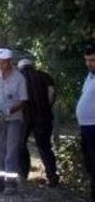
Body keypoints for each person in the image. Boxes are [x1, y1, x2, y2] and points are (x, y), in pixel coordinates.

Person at [0, 48, 28, 195]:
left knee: (11, 151)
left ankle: (10, 184)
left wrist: (9, 110)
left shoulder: (19, 78)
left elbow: (23, 100)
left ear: (9, 62)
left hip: (14, 119)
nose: (0, 64)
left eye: (3, 62)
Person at [17, 58, 58, 186]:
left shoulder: (19, 77)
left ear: (20, 67)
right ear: (33, 66)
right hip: (43, 116)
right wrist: (47, 106)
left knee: (21, 145)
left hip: (25, 116)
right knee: (45, 147)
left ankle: (23, 174)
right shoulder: (45, 76)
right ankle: (52, 177)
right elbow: (52, 92)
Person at [74, 44, 95, 202]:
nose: (89, 64)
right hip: (86, 127)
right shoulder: (90, 76)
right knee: (91, 166)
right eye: (87, 60)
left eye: (93, 60)